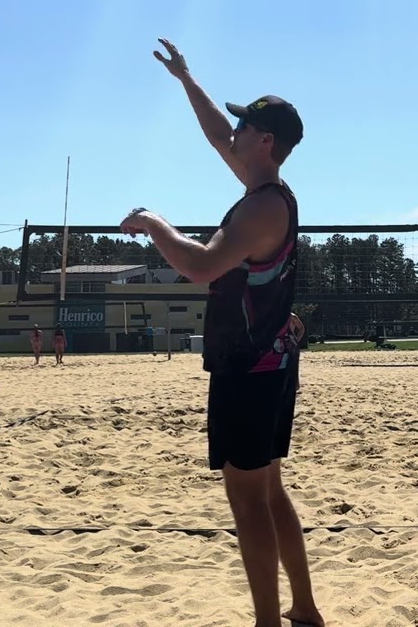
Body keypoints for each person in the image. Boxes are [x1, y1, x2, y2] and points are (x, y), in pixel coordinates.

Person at [119, 37, 322, 627]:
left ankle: (268, 622)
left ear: (264, 142)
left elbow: (201, 265)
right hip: (272, 358)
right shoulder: (267, 191)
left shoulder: (262, 207)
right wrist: (186, 79)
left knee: (248, 501)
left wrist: (155, 223)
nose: (231, 132)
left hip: (250, 366)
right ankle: (304, 609)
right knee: (270, 491)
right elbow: (214, 135)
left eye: (243, 126)